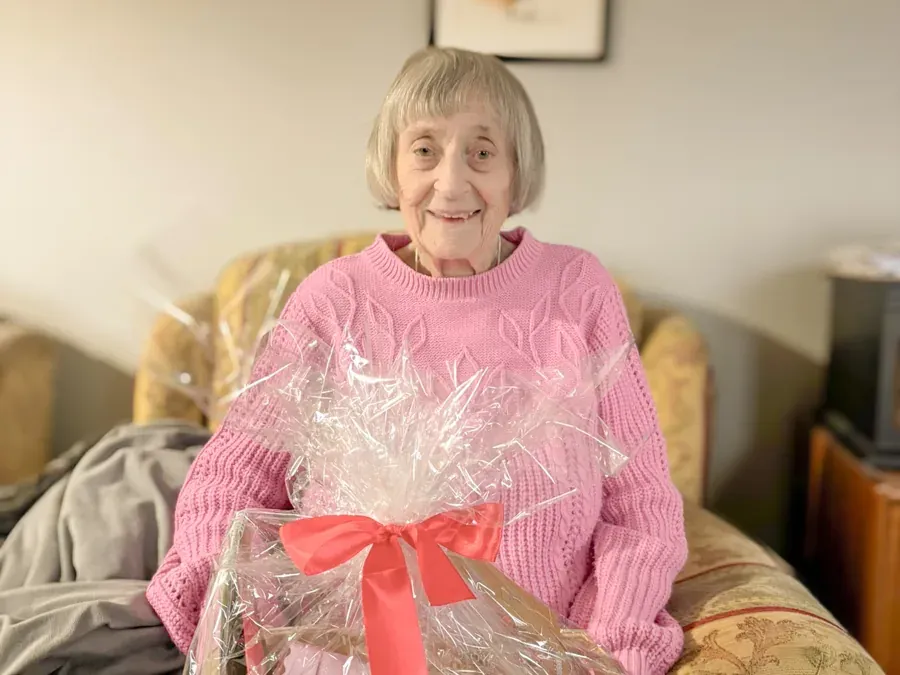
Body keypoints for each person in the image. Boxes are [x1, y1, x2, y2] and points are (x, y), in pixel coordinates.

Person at [147, 46, 687, 675]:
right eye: (425, 150)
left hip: (536, 657)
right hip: (340, 652)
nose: (451, 184)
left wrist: (611, 649)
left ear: (515, 173)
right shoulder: (335, 298)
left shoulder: (577, 289)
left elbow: (640, 504)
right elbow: (234, 476)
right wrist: (226, 619)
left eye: (481, 152)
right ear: (393, 168)